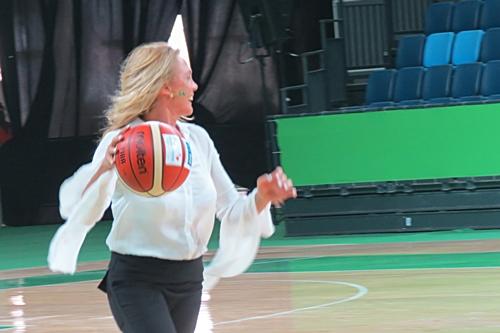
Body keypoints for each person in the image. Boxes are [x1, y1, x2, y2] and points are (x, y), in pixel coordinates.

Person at [47, 41, 296, 333]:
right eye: (188, 77)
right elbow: (74, 206)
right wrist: (103, 168)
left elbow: (230, 208)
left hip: (190, 279)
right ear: (165, 87)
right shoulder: (124, 143)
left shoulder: (198, 140)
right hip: (137, 280)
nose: (195, 85)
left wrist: (262, 196)